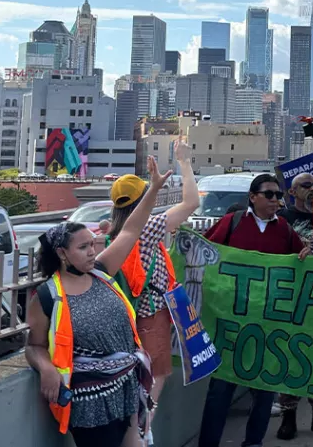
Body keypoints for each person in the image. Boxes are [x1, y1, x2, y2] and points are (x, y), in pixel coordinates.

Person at [25, 157, 171, 447]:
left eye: (93, 244)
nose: (93, 251)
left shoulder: (102, 273)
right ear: (62, 254)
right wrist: (47, 368)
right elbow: (34, 345)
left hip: (126, 391)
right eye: (83, 247)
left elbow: (130, 230)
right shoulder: (48, 295)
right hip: (89, 403)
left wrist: (153, 190)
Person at [199, 175, 312, 447]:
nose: (276, 200)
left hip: (267, 326)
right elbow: (201, 251)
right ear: (253, 197)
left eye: (278, 195)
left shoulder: (284, 229)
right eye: (269, 194)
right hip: (230, 324)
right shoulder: (232, 223)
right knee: (220, 392)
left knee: (263, 392)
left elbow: (301, 259)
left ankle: (253, 442)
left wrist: (306, 253)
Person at [106, 142, 199, 446]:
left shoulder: (113, 233)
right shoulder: (145, 229)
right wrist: (184, 162)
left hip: (127, 319)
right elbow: (191, 203)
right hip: (151, 318)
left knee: (135, 380)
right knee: (154, 379)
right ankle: (142, 436)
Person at [273, 173, 313, 439]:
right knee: (290, 357)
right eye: (305, 185)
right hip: (293, 298)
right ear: (292, 193)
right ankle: (288, 418)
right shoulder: (283, 220)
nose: (312, 189)